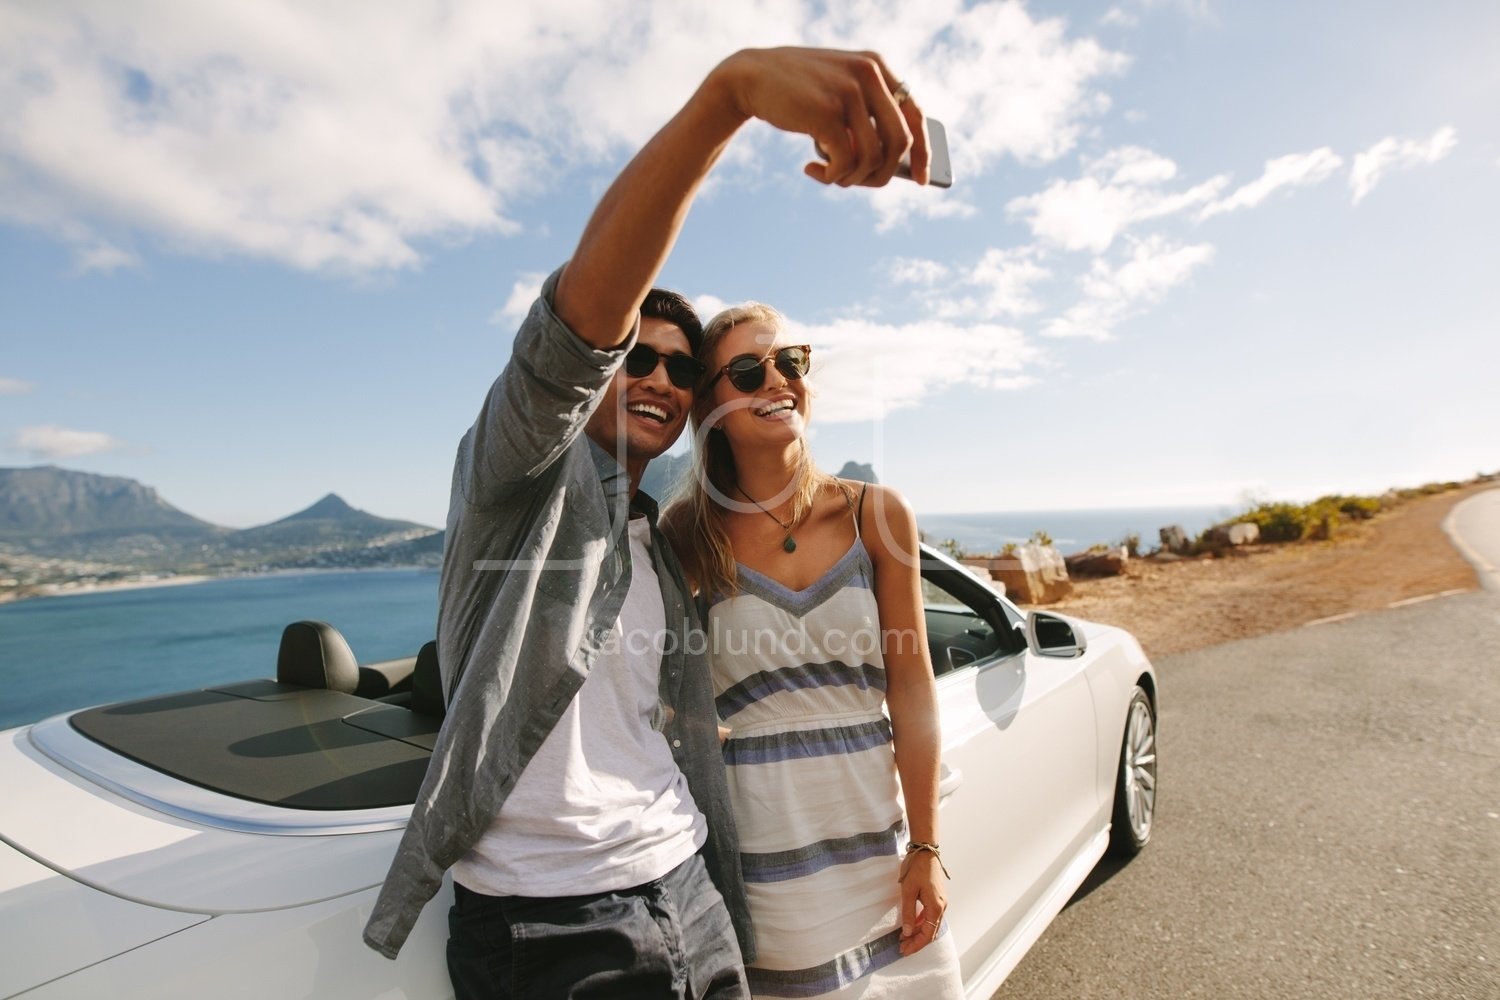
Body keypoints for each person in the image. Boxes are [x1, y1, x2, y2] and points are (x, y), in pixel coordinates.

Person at [362, 47, 933, 999]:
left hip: (692, 884)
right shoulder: (515, 484)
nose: (659, 378)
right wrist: (732, 95)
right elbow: (575, 332)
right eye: (637, 359)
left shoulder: (663, 542)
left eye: (679, 366)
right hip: (549, 922)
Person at [662, 303, 964, 998]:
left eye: (789, 361)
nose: (776, 379)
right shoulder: (685, 533)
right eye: (747, 369)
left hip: (883, 859)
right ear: (709, 403)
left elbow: (912, 689)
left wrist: (926, 847)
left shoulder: (877, 514)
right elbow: (668, 698)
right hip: (768, 874)